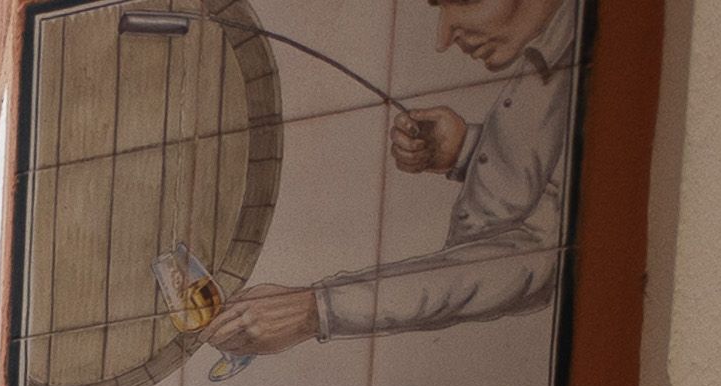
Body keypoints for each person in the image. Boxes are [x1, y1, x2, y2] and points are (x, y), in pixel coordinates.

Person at [205, 0, 580, 357]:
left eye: (465, 1)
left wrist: (315, 310)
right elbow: (550, 191)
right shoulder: (555, 50)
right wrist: (467, 150)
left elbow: (532, 261)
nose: (443, 38)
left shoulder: (598, 67)